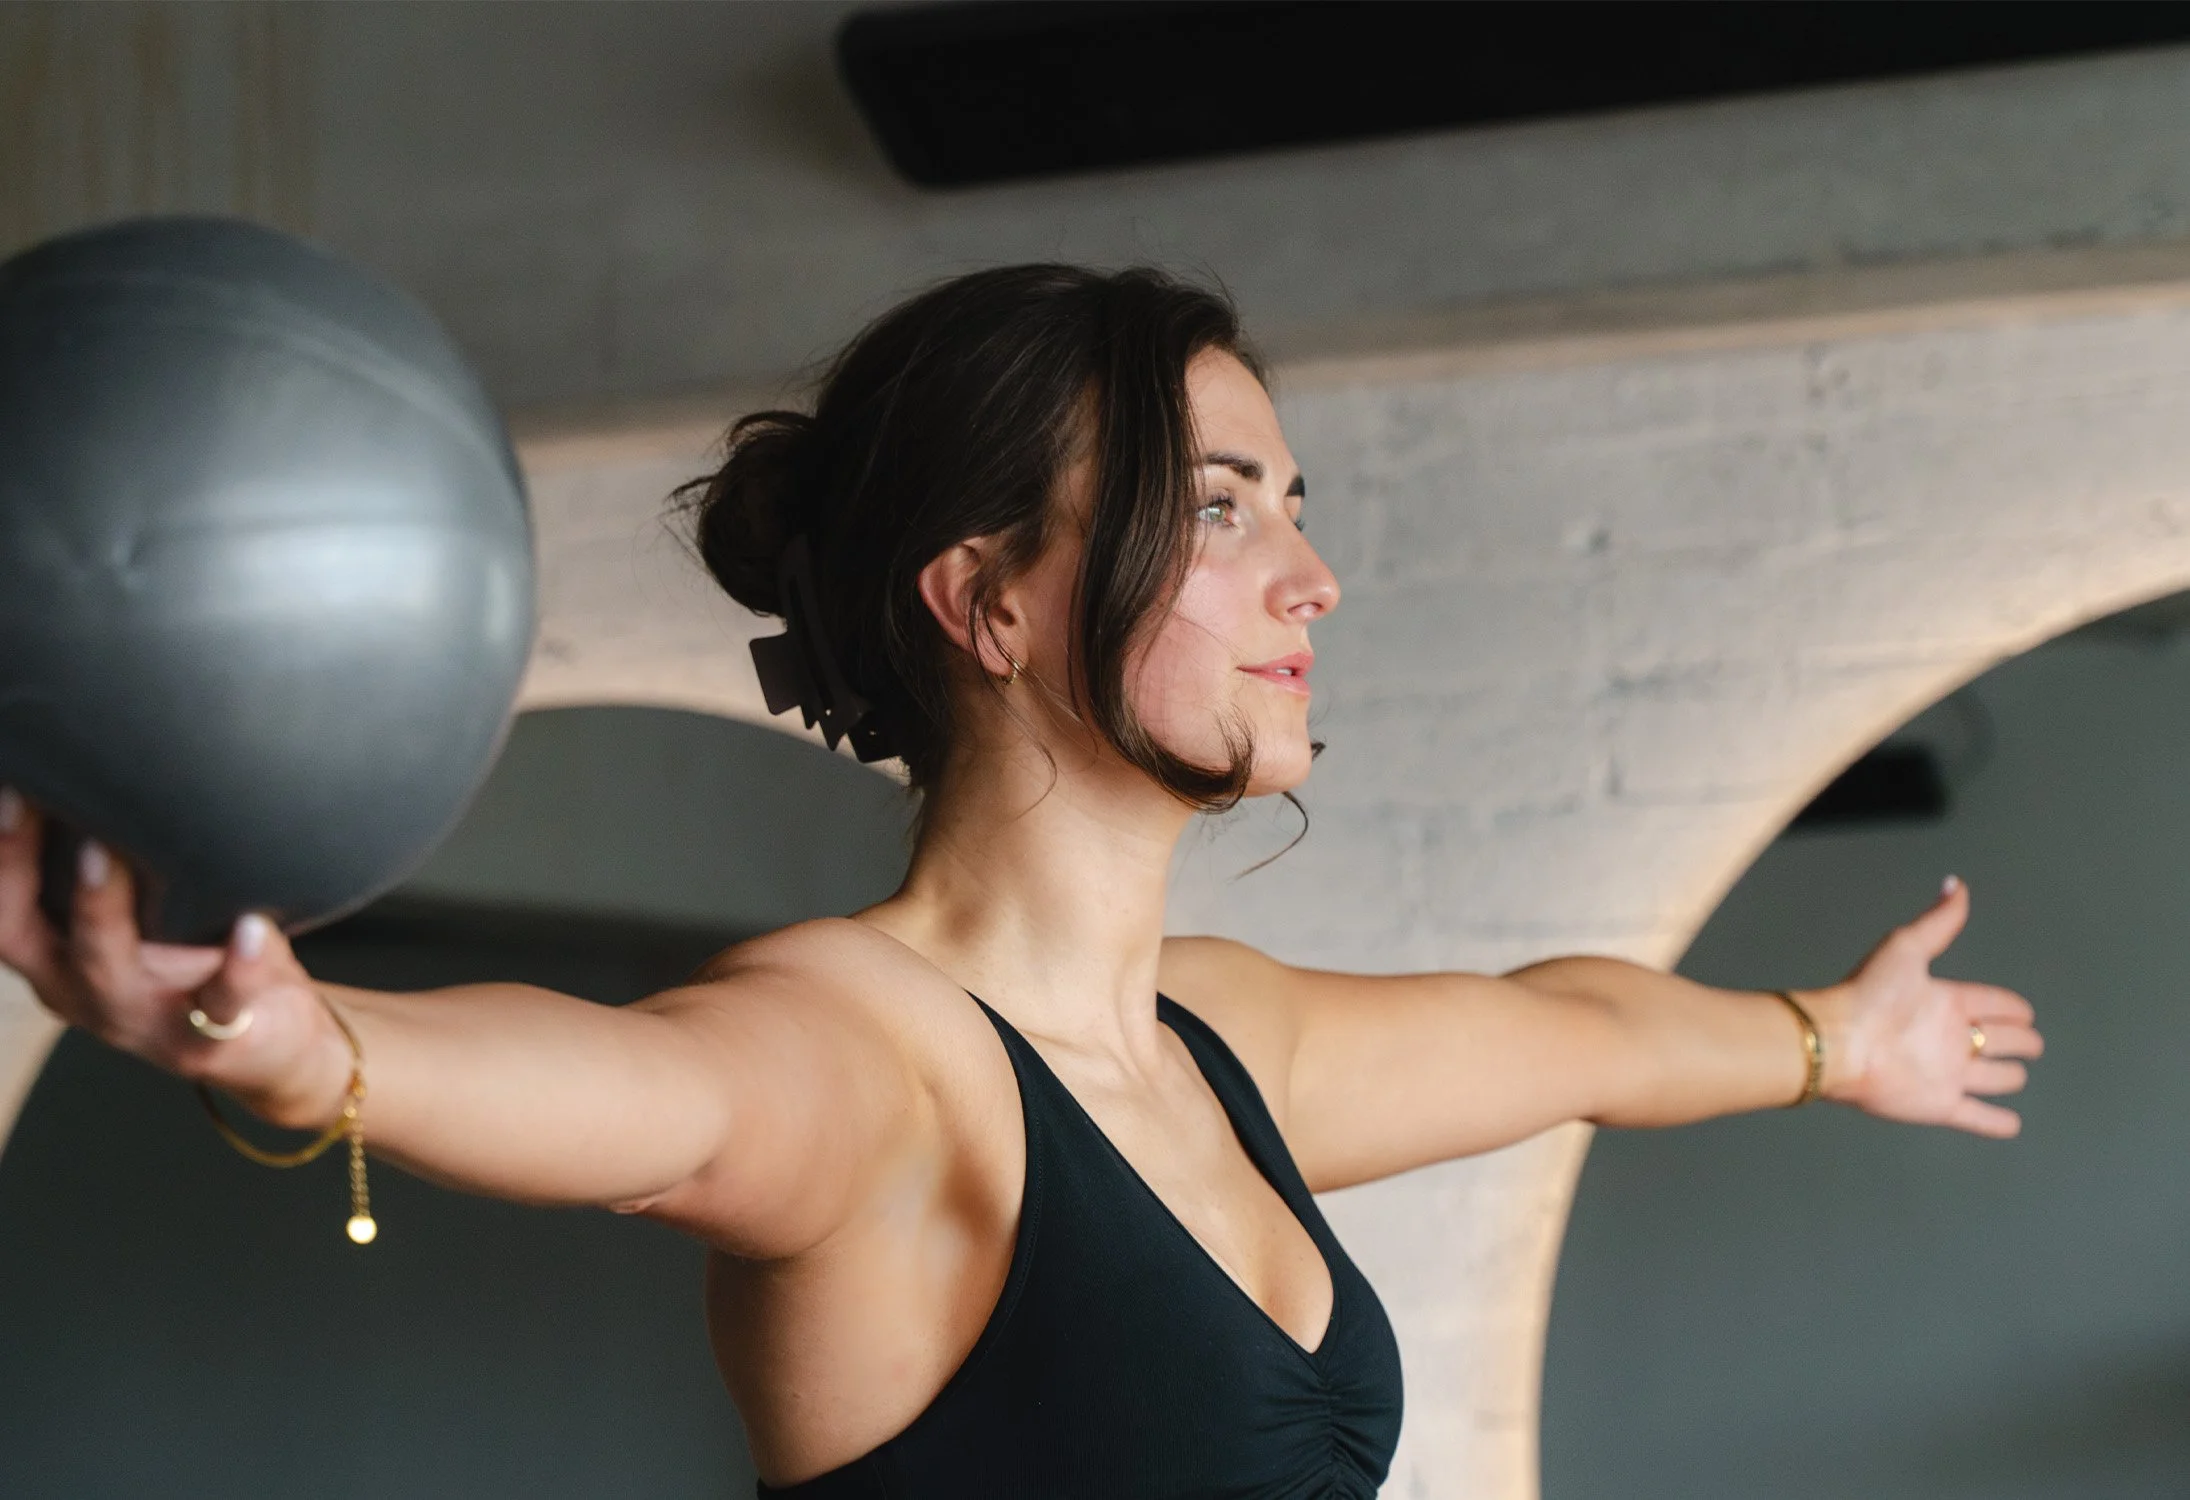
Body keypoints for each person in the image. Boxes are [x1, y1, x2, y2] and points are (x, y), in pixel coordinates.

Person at [0, 265, 2042, 1498]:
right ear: (986, 599)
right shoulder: (873, 1054)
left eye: (1294, 511)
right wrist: (299, 1045)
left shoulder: (1217, 1041)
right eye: (1223, 511)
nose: (1308, 580)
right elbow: (640, 1099)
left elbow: (1572, 1029)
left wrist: (1824, 1037)